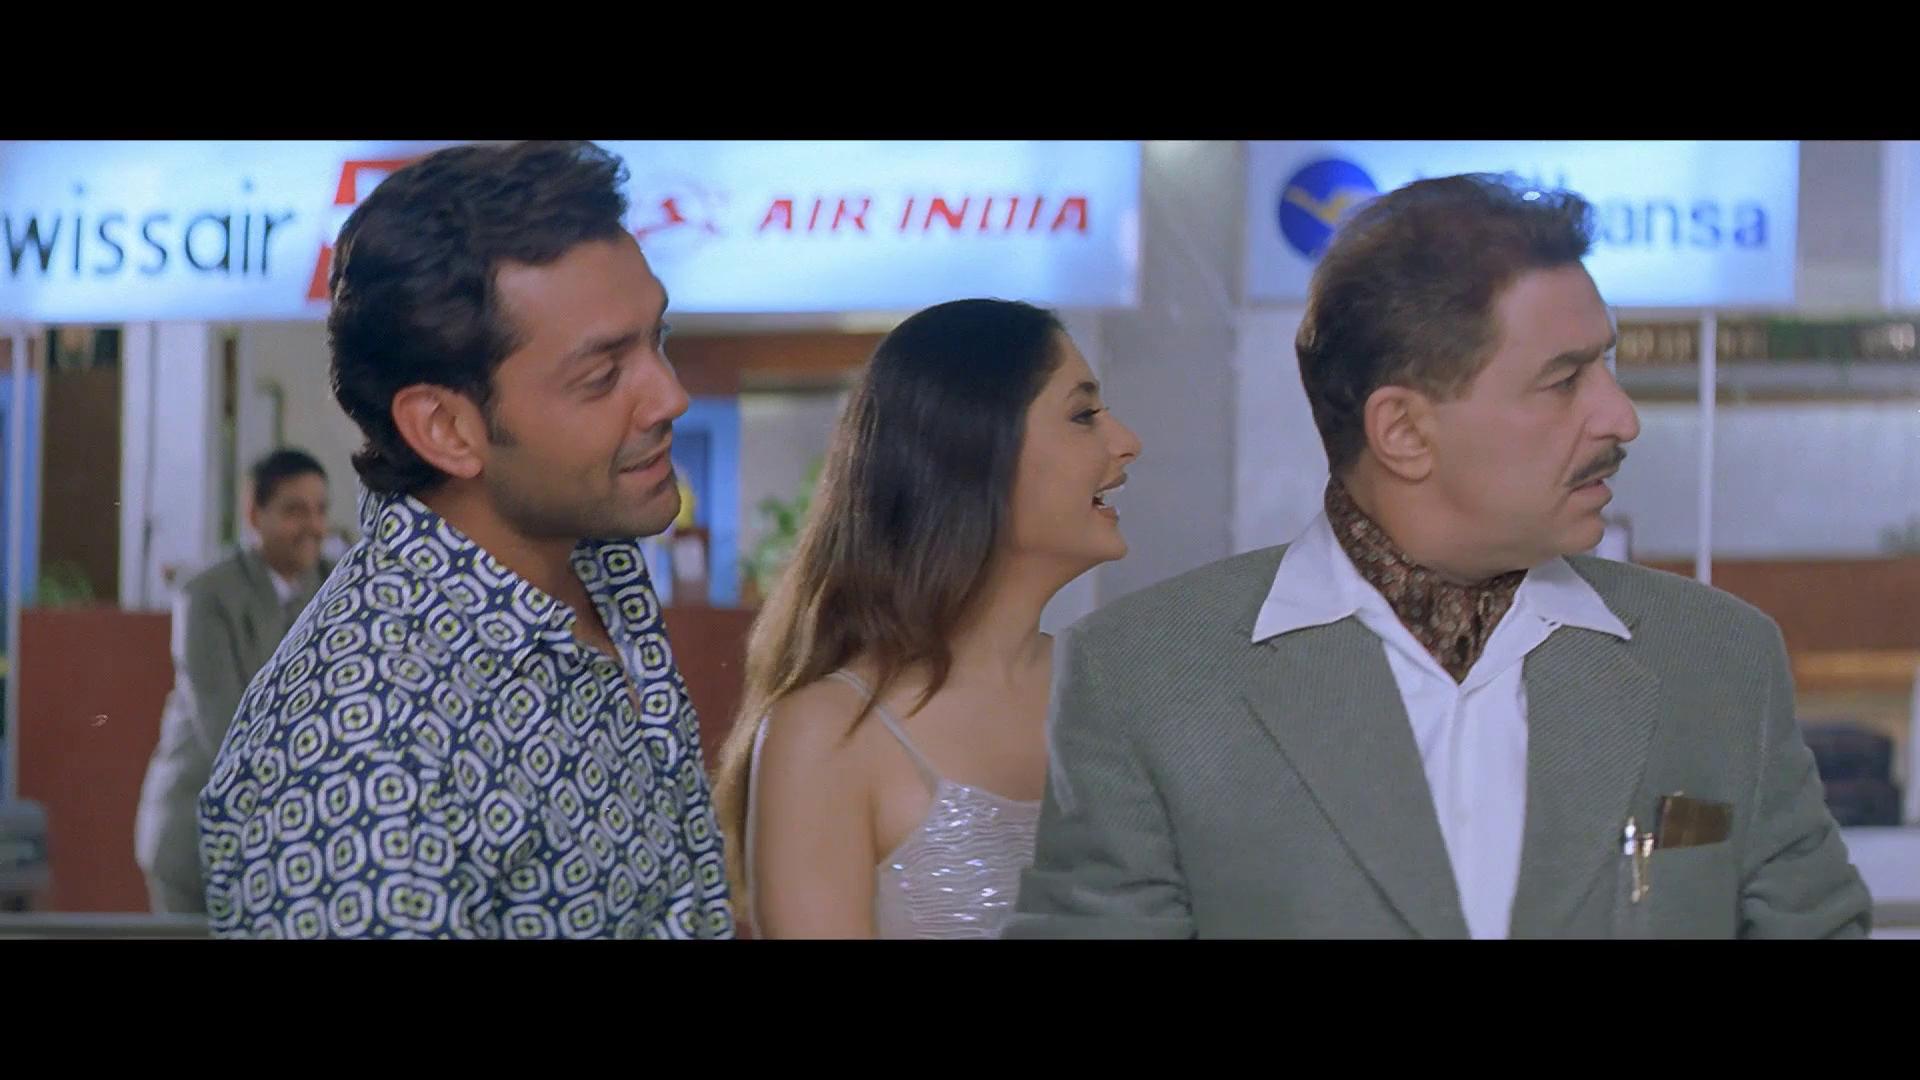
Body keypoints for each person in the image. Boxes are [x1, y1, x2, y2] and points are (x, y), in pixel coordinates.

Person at [1005, 174, 1872, 939]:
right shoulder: (1146, 678)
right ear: (1404, 432)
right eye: (1565, 379)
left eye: (1606, 367)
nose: (1621, 417)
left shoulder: (1718, 659)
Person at [197, 140, 734, 939]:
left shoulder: (595, 561)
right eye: (601, 377)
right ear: (445, 428)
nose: (670, 395)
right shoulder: (358, 749)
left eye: (658, 339)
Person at [712, 299, 1141, 938]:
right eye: (1083, 415)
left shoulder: (1120, 696)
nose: (1127, 443)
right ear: (972, 449)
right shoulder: (827, 732)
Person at [134, 448, 332, 914]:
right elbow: (228, 730)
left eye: (321, 510)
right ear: (254, 515)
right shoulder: (206, 595)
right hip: (198, 841)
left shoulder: (335, 588)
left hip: (294, 847)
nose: (313, 526)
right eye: (295, 510)